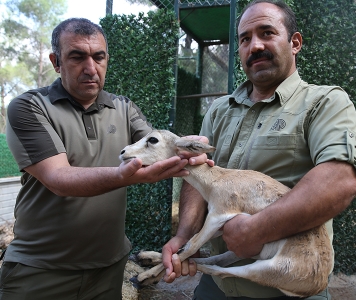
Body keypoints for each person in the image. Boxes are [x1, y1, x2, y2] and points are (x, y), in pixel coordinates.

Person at [161, 0, 356, 299]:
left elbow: (341, 179)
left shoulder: (324, 102)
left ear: (294, 42)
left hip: (286, 288)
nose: (255, 45)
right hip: (217, 286)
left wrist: (255, 232)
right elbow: (198, 175)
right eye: (245, 39)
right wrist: (184, 237)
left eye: (267, 33)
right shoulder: (219, 110)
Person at [1, 18, 211, 300]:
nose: (91, 68)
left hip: (108, 270)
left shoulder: (124, 108)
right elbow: (59, 178)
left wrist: (187, 148)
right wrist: (121, 175)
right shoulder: (30, 107)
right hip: (41, 271)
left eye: (98, 57)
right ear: (55, 61)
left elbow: (158, 145)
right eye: (77, 57)